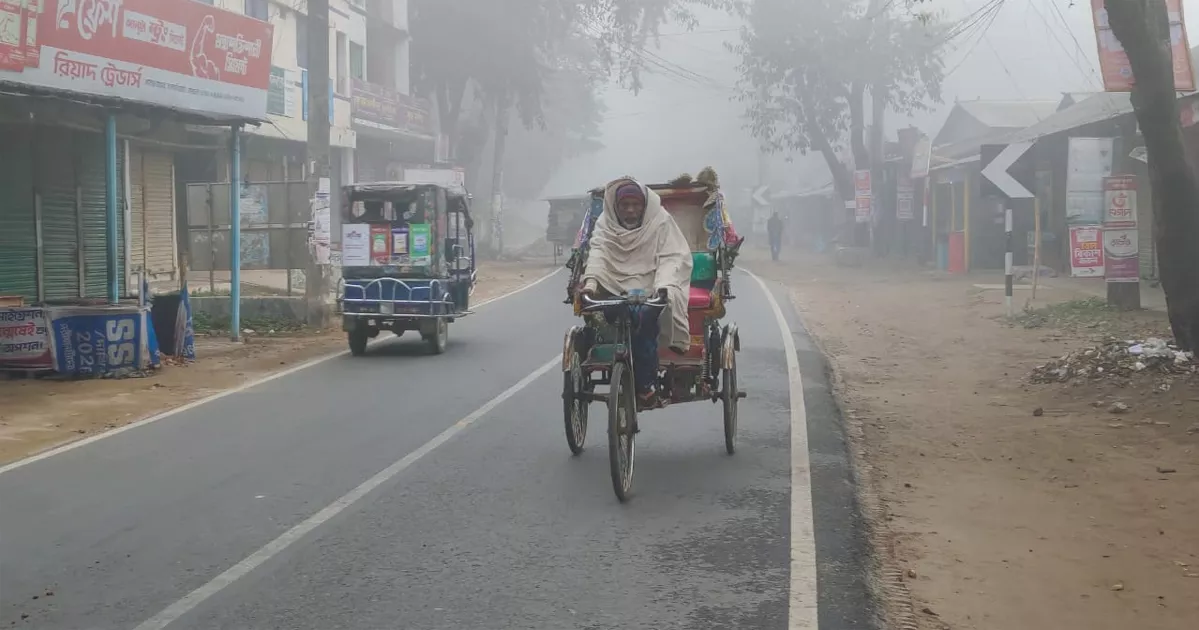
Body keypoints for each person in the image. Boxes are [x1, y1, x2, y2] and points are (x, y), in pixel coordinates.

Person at [580, 178, 693, 408]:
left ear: (643, 206)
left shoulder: (660, 222)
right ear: (616, 207)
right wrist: (591, 283)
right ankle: (623, 374)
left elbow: (672, 258)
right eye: (624, 205)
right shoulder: (605, 223)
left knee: (644, 324)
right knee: (614, 318)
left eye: (635, 205)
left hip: (652, 287)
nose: (630, 210)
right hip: (614, 287)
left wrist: (663, 288)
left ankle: (647, 385)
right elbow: (599, 253)